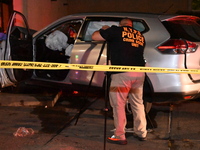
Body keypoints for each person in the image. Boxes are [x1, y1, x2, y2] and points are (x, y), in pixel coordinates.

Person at [92, 18, 147, 145]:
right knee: (137, 103)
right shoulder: (140, 36)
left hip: (122, 75)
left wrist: (104, 29)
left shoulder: (116, 31)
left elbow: (95, 36)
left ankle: (120, 135)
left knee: (118, 105)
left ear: (120, 25)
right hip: (139, 74)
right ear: (131, 26)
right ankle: (141, 132)